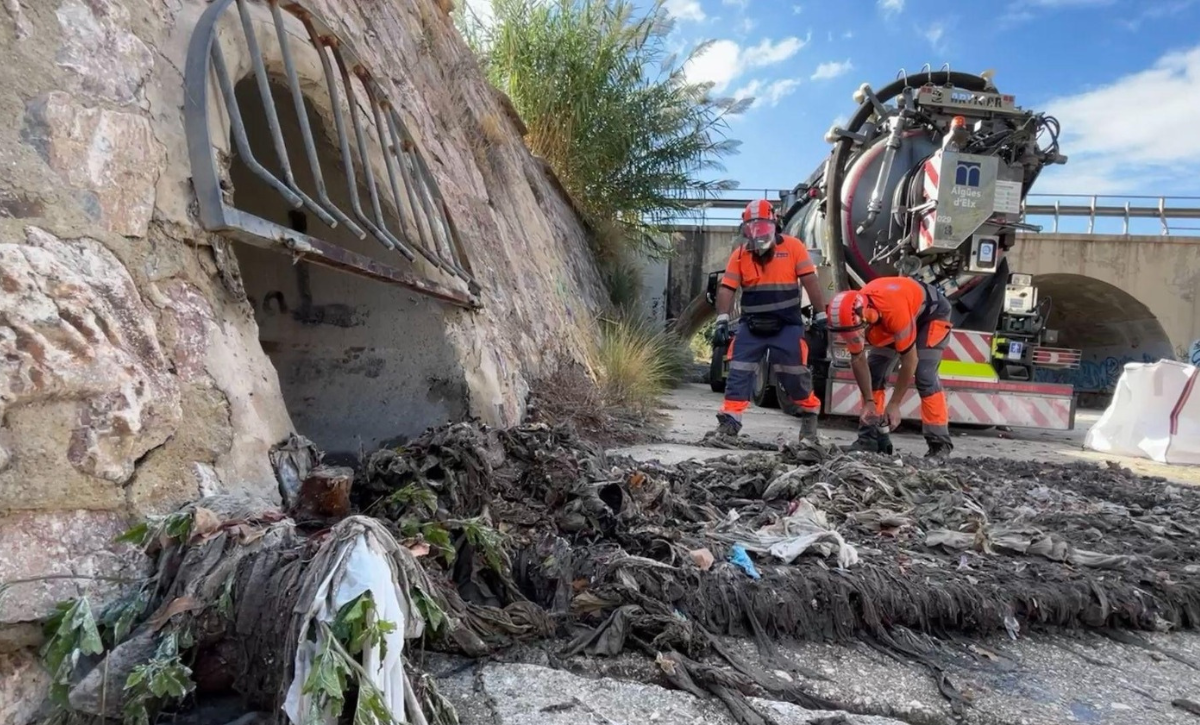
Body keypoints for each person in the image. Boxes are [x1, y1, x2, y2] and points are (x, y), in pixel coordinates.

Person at [712, 199, 827, 442]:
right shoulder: (740, 255)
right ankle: (731, 421)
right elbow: (727, 288)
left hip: (787, 325)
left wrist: (821, 314)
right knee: (739, 370)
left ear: (774, 224)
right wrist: (722, 319)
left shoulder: (794, 248)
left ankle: (809, 416)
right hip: (751, 325)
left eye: (763, 226)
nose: (758, 233)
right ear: (745, 230)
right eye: (752, 228)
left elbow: (811, 282)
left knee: (794, 374)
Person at [826, 276, 954, 460]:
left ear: (864, 316)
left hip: (931, 314)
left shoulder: (893, 311)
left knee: (924, 374)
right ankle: (870, 438)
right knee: (875, 370)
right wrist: (869, 401)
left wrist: (894, 404)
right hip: (888, 316)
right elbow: (859, 359)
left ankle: (939, 445)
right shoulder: (852, 316)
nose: (853, 336)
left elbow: (910, 361)